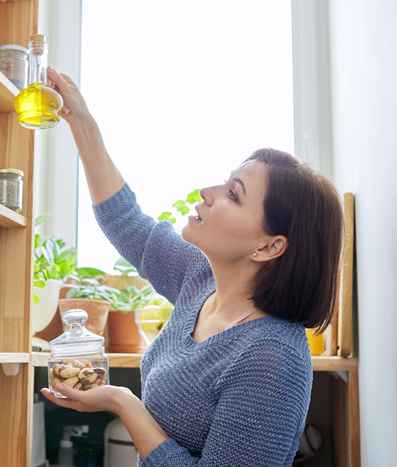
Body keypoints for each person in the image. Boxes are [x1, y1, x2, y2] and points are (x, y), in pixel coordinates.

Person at [40, 68, 344, 467]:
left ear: (269, 246)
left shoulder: (272, 358)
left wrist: (123, 403)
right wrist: (81, 120)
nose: (208, 193)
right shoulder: (199, 280)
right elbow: (125, 220)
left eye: (233, 194)